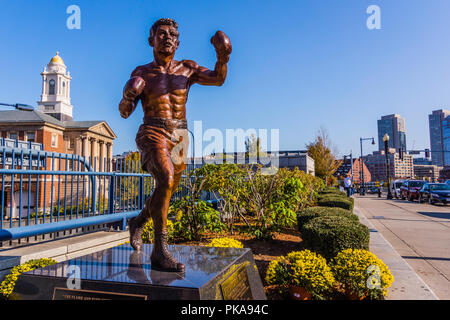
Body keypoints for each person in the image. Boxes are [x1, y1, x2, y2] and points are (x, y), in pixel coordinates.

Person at [118, 18, 232, 272]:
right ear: (151, 40)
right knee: (167, 179)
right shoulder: (142, 73)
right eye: (161, 34)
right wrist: (128, 95)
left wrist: (223, 58)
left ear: (178, 42)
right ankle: (159, 250)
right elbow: (125, 112)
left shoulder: (187, 69)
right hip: (152, 130)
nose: (167, 37)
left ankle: (138, 221)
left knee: (166, 190)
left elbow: (217, 79)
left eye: (172, 34)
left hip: (180, 134)